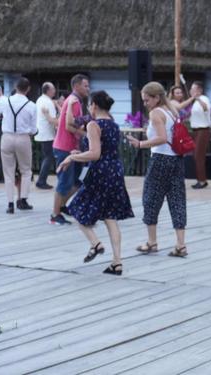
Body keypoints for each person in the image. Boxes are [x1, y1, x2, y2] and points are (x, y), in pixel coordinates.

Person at [58, 91, 134, 276]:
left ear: (94, 105)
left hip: (100, 172)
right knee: (110, 217)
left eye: (90, 105)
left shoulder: (94, 124)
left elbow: (95, 154)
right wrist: (79, 152)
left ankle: (96, 244)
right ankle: (117, 263)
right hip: (115, 171)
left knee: (75, 208)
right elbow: (101, 149)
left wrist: (71, 157)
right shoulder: (114, 125)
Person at [125, 82, 188, 258]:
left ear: (156, 97)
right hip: (176, 159)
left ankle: (152, 242)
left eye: (147, 100)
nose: (145, 104)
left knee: (151, 198)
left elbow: (161, 138)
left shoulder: (155, 113)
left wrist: (140, 143)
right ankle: (181, 244)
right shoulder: (172, 111)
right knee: (177, 200)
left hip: (160, 159)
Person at [0, 77, 37, 214]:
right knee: (26, 170)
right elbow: (34, 129)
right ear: (28, 89)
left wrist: (1, 118)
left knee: (8, 172)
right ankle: (23, 199)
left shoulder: (5, 101)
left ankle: (10, 204)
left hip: (6, 137)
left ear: (16, 87)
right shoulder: (31, 105)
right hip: (23, 138)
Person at [51, 74, 90, 225]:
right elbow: (68, 126)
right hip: (65, 147)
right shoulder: (74, 102)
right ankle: (55, 214)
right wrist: (87, 134)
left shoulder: (74, 101)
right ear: (76, 86)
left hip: (72, 147)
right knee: (65, 182)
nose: (88, 88)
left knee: (78, 181)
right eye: (85, 85)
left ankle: (61, 206)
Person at [35, 82, 58, 190]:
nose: (55, 91)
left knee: (46, 156)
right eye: (53, 89)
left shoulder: (39, 100)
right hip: (48, 134)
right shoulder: (48, 102)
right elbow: (52, 120)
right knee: (49, 157)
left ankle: (41, 179)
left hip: (41, 132)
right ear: (48, 90)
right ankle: (41, 180)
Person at [188, 81, 211, 189]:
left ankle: (202, 180)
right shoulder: (195, 102)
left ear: (199, 90)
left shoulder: (204, 99)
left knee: (198, 155)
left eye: (194, 89)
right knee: (197, 155)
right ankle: (201, 179)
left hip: (203, 130)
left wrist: (197, 98)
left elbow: (205, 108)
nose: (191, 91)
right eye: (191, 89)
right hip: (196, 130)